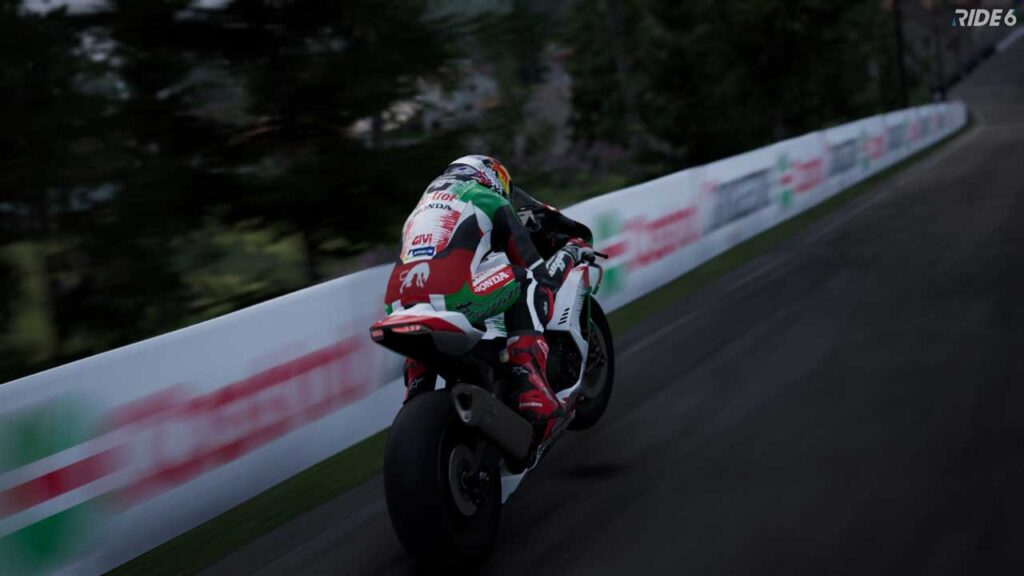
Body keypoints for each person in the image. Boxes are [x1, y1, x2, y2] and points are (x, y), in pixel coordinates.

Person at [383, 155, 592, 437]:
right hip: (453, 297)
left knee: (423, 328)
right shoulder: (486, 197)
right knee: (527, 278)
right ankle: (530, 382)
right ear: (491, 177)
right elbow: (534, 266)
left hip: (396, 305)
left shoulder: (419, 209)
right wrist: (568, 256)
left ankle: (417, 388)